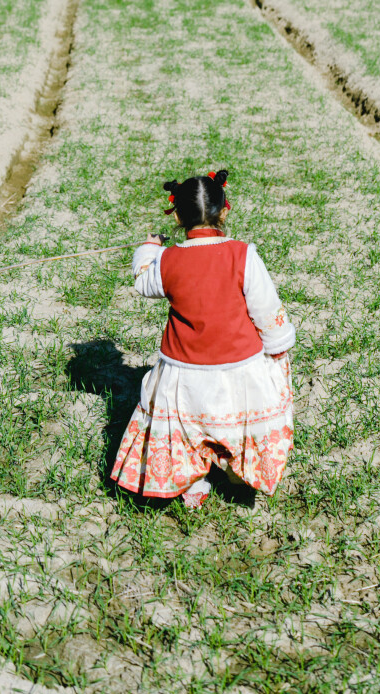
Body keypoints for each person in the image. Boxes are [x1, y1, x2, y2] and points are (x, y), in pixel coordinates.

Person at [111, 169, 295, 509]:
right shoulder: (243, 254)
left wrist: (150, 248)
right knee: (237, 423)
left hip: (183, 373)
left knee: (187, 429)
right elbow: (266, 309)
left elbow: (142, 281)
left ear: (178, 215)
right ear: (224, 210)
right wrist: (277, 346)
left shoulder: (167, 259)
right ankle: (237, 473)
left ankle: (192, 480)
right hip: (240, 367)